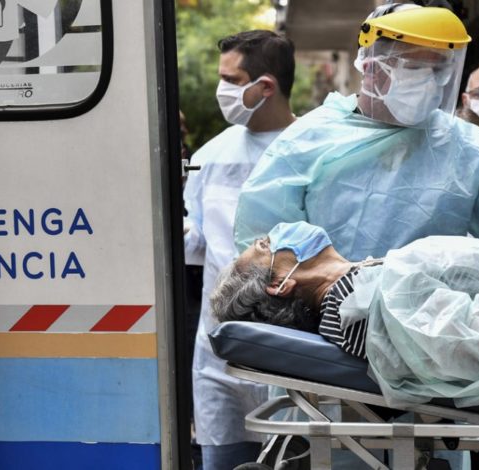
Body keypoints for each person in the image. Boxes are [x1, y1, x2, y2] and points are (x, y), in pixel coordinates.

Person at [233, 6, 479, 267]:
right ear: (371, 68)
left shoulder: (469, 148)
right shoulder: (307, 141)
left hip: (435, 324)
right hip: (322, 326)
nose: (430, 81)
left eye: (439, 69)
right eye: (415, 67)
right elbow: (261, 248)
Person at [212, 221, 479, 407]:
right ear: (280, 284)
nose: (277, 232)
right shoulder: (362, 306)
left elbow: (461, 314)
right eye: (265, 245)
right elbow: (474, 343)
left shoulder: (367, 289)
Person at [182, 29, 296, 470]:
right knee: (223, 459)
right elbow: (197, 244)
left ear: (265, 87)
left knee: (291, 458)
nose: (221, 90)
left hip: (292, 352)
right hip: (217, 352)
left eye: (230, 80)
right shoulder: (212, 156)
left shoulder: (311, 150)